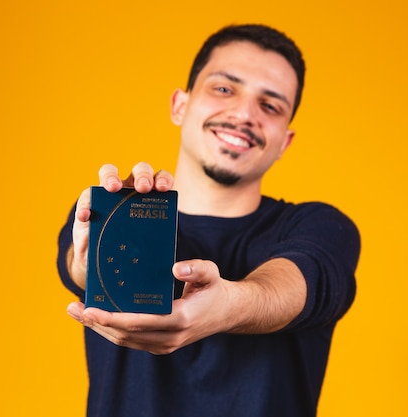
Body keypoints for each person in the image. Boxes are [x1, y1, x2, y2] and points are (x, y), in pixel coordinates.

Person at [57, 24, 360, 417]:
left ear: (285, 141)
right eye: (224, 88)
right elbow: (77, 268)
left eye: (270, 105)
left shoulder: (322, 227)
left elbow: (301, 282)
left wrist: (229, 305)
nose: (244, 114)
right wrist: (94, 257)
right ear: (179, 105)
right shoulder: (108, 213)